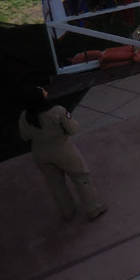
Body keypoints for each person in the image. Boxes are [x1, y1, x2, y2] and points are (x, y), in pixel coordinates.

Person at [18, 86, 107, 221]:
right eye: (40, 88)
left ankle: (68, 211)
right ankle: (93, 207)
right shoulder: (57, 111)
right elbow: (73, 129)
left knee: (55, 184)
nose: (43, 88)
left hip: (40, 153)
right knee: (81, 177)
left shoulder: (25, 116)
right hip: (62, 150)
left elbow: (24, 136)